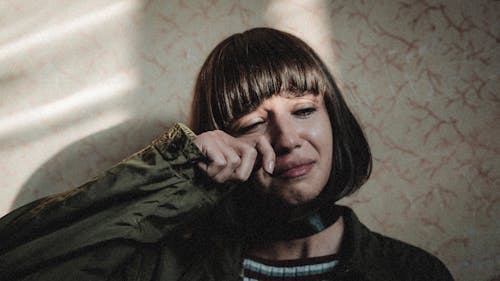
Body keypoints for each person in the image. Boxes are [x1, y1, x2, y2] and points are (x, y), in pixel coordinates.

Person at [0, 28, 453, 281]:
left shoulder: (412, 272)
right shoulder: (166, 269)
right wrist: (177, 174)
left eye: (303, 110)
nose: (287, 138)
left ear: (334, 120)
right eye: (253, 122)